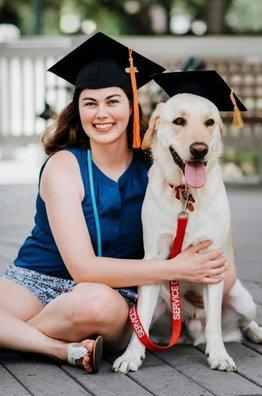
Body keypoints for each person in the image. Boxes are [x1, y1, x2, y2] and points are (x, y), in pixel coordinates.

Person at [0, 32, 232, 373]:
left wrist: (205, 275)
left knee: (96, 305)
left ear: (131, 107)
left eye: (113, 101)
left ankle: (14, 334)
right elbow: (83, 269)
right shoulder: (64, 166)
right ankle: (58, 348)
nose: (101, 114)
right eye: (90, 103)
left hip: (113, 293)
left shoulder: (161, 171)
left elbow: (219, 255)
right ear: (78, 111)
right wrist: (176, 269)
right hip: (39, 278)